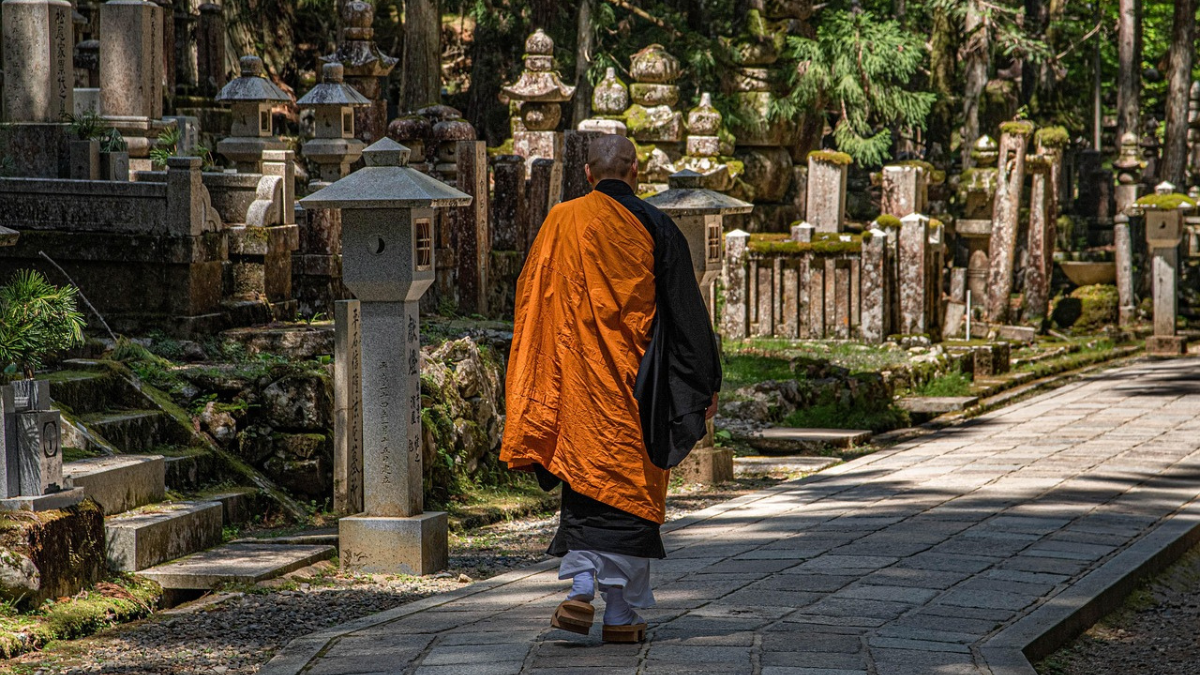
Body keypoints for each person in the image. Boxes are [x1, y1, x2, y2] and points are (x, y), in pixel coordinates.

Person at [500, 135, 722, 644]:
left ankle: (580, 586)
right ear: (636, 172)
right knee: (630, 499)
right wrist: (704, 381)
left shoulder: (561, 221)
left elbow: (534, 300)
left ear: (587, 173)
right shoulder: (656, 225)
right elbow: (687, 311)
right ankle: (620, 616)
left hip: (576, 387)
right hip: (637, 390)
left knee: (584, 484)